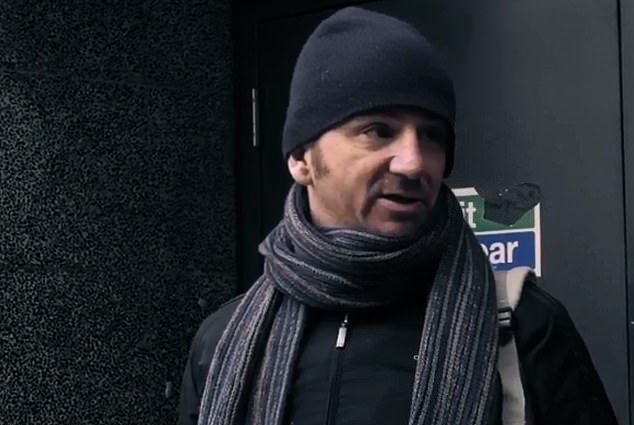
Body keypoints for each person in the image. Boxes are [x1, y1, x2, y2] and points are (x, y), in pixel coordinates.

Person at [179, 7, 617, 425]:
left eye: (431, 136)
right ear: (300, 158)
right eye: (378, 131)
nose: (413, 162)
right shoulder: (224, 343)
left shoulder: (523, 330)